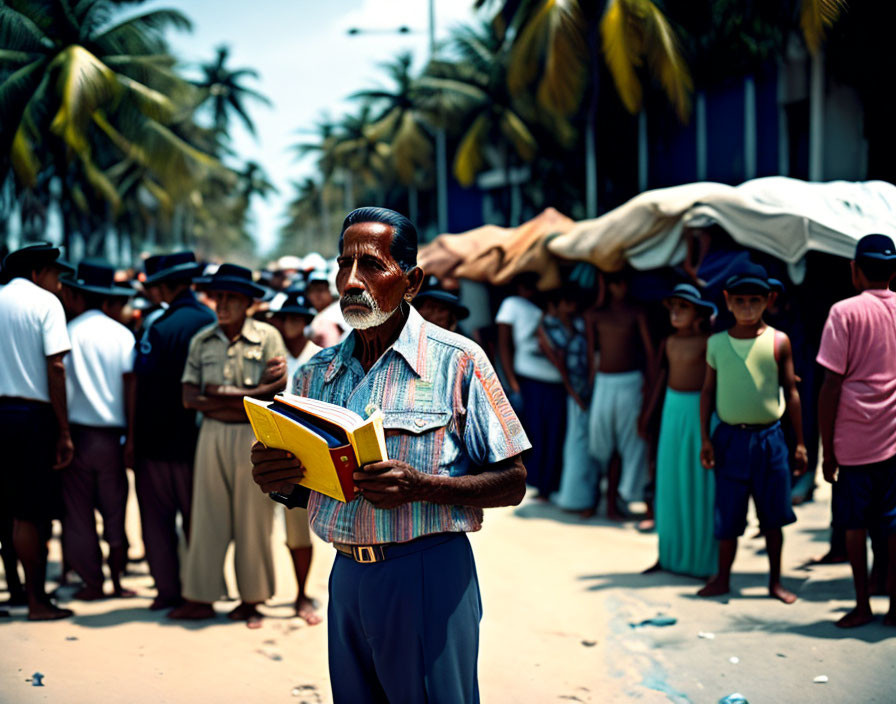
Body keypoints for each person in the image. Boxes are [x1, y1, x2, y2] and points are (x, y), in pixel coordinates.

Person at [250, 207, 529, 704]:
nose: (352, 281)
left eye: (372, 265)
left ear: (412, 280)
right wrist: (280, 480)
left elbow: (512, 481)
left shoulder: (457, 361)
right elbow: (309, 488)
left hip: (427, 573)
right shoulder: (316, 373)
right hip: (347, 577)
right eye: (344, 265)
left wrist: (423, 487)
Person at [168, 264, 287, 626]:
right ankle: (200, 597)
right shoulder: (202, 340)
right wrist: (248, 395)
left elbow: (274, 394)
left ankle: (251, 601)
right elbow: (189, 398)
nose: (222, 305)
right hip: (212, 435)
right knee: (206, 518)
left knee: (253, 521)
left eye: (231, 298)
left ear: (248, 302)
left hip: (253, 435)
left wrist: (220, 394)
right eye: (218, 297)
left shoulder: (268, 337)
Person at [698, 262, 807, 602]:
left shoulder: (779, 341)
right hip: (729, 439)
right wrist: (705, 438)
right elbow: (707, 392)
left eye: (755, 300)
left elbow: (791, 392)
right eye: (740, 300)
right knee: (727, 515)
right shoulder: (716, 343)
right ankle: (723, 578)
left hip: (769, 439)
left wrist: (800, 443)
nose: (747, 307)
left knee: (773, 516)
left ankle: (775, 582)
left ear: (768, 300)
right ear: (728, 300)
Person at [816, 234, 896, 628]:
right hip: (894, 439)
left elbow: (830, 386)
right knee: (893, 524)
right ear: (894, 271)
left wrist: (827, 450)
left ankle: (863, 605)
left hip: (853, 442)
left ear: (854, 269)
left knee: (854, 524)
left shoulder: (843, 312)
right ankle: (895, 606)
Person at [130, 251, 216, 611]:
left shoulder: (157, 327)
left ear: (164, 287)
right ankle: (201, 592)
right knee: (198, 523)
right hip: (197, 439)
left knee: (157, 523)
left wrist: (132, 438)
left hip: (156, 440)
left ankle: (168, 590)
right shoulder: (211, 321)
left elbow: (140, 383)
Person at [0, 243, 75, 620]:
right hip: (29, 416)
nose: (59, 285)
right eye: (56, 276)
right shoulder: (46, 303)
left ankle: (11, 592)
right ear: (37, 273)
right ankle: (35, 601)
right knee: (28, 514)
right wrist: (63, 430)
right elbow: (56, 368)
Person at [58, 260, 136, 600]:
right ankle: (118, 582)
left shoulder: (68, 333)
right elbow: (130, 388)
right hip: (111, 437)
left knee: (78, 515)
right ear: (107, 299)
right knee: (114, 511)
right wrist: (131, 436)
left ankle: (92, 583)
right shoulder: (122, 335)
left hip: (76, 433)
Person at [642, 284, 717, 578]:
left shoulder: (710, 342)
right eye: (672, 306)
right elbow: (660, 379)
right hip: (672, 412)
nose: (675, 312)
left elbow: (715, 385)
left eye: (682, 307)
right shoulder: (669, 341)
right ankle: (668, 555)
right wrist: (648, 414)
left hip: (698, 412)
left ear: (698, 312)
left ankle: (702, 562)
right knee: (670, 483)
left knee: (698, 483)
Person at [266, 288, 322, 625]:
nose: (290, 324)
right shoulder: (272, 355)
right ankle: (255, 594)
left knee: (298, 530)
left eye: (296, 318)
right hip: (270, 446)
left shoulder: (320, 356)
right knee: (257, 527)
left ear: (304, 322)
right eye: (285, 317)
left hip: (303, 453)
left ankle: (302, 594)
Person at [587, 269, 654, 517]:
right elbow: (589, 353)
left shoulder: (636, 312)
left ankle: (635, 500)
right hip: (604, 384)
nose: (619, 289)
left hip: (630, 382)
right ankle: (608, 503)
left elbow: (649, 353)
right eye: (613, 284)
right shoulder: (596, 315)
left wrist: (649, 386)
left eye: (622, 283)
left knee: (633, 442)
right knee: (602, 444)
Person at [496, 273, 566, 499]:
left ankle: (546, 485)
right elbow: (504, 344)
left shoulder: (544, 310)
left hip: (554, 381)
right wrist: (512, 381)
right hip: (528, 379)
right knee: (533, 434)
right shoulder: (512, 305)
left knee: (552, 434)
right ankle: (533, 483)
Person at [538, 289, 601, 516]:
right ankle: (576, 498)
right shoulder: (548, 328)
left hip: (588, 387)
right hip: (572, 391)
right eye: (566, 302)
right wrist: (575, 393)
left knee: (586, 442)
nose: (570, 307)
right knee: (576, 444)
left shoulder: (580, 324)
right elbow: (560, 364)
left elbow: (591, 354)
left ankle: (583, 497)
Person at [307, 269, 350, 347]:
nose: (316, 295)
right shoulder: (316, 314)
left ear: (330, 291)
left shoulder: (337, 311)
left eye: (321, 290)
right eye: (312, 290)